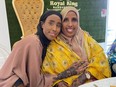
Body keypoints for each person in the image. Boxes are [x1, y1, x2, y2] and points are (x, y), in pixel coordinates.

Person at [42, 6, 111, 87]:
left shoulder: (86, 39)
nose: (70, 24)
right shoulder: (53, 45)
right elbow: (47, 73)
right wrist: (58, 83)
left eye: (74, 20)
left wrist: (84, 76)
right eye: (65, 20)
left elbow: (102, 61)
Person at [0, 10, 62, 87]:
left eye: (58, 25)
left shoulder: (44, 43)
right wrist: (58, 77)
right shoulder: (35, 43)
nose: (54, 29)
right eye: (51, 23)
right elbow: (35, 82)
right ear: (42, 24)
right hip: (10, 82)